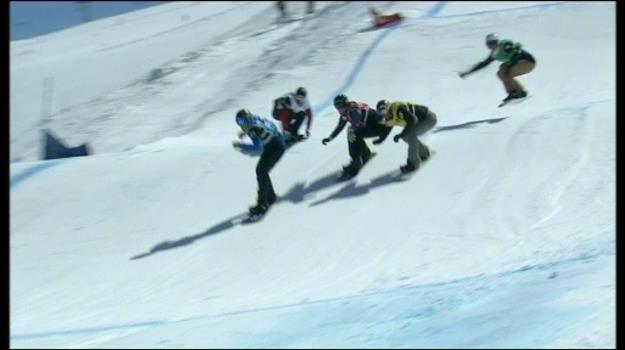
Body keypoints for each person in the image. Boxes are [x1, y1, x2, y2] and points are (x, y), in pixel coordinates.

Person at [322, 94, 392, 179]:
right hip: (373, 127)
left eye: (340, 106)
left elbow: (357, 117)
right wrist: (330, 137)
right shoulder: (345, 113)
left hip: (380, 127)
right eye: (337, 107)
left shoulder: (353, 108)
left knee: (353, 133)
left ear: (346, 103)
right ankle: (365, 154)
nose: (339, 109)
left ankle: (356, 163)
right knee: (354, 133)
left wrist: (352, 128)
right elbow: (340, 127)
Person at [233, 109, 286, 216]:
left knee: (261, 171)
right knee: (262, 171)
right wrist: (245, 132)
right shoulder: (254, 119)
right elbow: (262, 127)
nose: (241, 125)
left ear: (247, 119)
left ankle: (262, 205)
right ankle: (271, 197)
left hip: (274, 147)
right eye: (238, 123)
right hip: (275, 143)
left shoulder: (253, 128)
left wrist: (241, 146)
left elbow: (257, 148)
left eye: (242, 122)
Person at [458, 33, 536, 105]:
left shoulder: (505, 45)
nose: (492, 45)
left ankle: (520, 92)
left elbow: (516, 53)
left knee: (504, 70)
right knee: (500, 73)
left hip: (527, 62)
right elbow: (483, 64)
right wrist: (468, 72)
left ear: (498, 42)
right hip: (520, 64)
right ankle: (513, 93)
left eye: (494, 42)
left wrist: (509, 66)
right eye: (489, 44)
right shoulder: (494, 54)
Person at [375, 100, 437, 173]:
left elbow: (413, 120)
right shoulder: (390, 116)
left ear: (389, 109)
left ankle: (413, 163)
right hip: (420, 121)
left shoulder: (399, 109)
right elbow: (388, 127)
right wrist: (381, 139)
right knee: (406, 136)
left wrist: (401, 134)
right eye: (382, 115)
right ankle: (424, 153)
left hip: (428, 118)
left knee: (410, 135)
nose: (385, 116)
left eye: (385, 113)